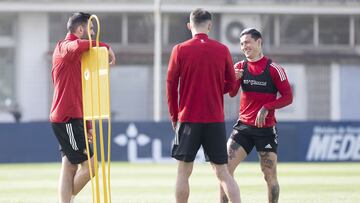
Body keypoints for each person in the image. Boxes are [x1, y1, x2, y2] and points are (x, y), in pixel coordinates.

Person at [166, 8, 241, 203]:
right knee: (223, 173)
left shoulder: (179, 49)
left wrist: (174, 116)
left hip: (188, 119)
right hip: (215, 119)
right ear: (210, 25)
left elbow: (171, 86)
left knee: (183, 171)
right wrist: (218, 88)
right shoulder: (223, 49)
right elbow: (232, 86)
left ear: (189, 26)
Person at [220, 28, 293, 203]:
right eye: (242, 44)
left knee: (269, 176)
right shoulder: (239, 67)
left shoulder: (275, 69)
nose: (244, 47)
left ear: (259, 42)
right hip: (243, 128)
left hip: (266, 130)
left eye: (247, 42)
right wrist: (233, 79)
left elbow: (288, 98)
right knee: (224, 170)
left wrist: (267, 107)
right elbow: (230, 93)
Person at [50, 12, 115, 203]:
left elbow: (80, 93)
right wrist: (106, 47)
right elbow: (78, 45)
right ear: (80, 29)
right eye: (90, 29)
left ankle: (65, 200)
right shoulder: (65, 47)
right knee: (91, 168)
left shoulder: (76, 56)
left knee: (69, 165)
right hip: (67, 117)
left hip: (70, 116)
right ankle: (66, 199)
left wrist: (86, 124)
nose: (93, 33)